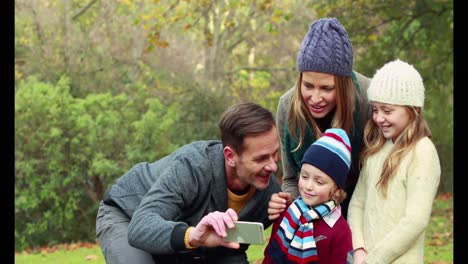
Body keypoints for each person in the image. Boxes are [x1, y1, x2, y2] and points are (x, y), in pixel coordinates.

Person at [95, 102, 282, 264]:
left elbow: (229, 250)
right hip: (129, 215)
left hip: (181, 240)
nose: (273, 166)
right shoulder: (193, 167)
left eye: (275, 154)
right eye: (261, 159)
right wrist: (193, 235)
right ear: (230, 156)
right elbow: (140, 228)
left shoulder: (269, 194)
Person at [268, 17, 372, 221]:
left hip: (364, 206)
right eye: (308, 86)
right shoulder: (287, 106)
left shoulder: (368, 98)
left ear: (343, 85)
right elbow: (290, 178)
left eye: (327, 88)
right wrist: (289, 204)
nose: (315, 98)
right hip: (311, 213)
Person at [347, 59, 441, 264]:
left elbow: (415, 221)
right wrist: (359, 248)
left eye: (387, 111)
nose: (379, 118)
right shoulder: (375, 148)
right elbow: (357, 204)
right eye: (375, 110)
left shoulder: (423, 152)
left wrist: (374, 260)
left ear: (412, 109)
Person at [263, 128, 353, 264]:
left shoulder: (340, 230)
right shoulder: (288, 214)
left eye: (319, 182)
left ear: (336, 189)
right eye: (304, 176)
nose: (308, 186)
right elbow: (270, 258)